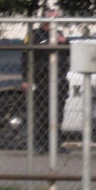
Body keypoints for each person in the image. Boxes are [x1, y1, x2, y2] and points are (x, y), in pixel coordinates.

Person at [21, 9, 70, 154]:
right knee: (41, 113)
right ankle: (39, 144)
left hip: (59, 80)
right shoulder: (35, 35)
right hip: (41, 79)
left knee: (58, 113)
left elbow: (69, 52)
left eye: (56, 18)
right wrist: (26, 79)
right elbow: (26, 58)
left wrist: (65, 42)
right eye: (51, 18)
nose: (54, 21)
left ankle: (54, 144)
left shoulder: (60, 34)